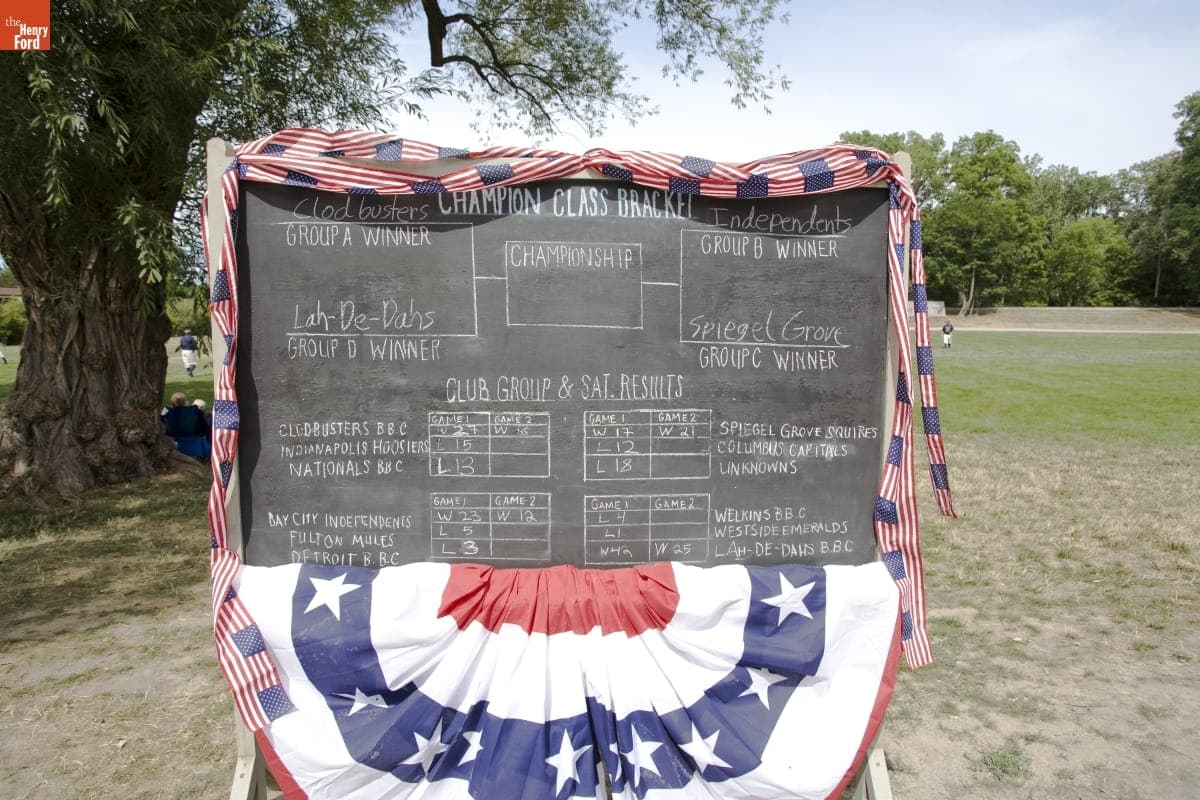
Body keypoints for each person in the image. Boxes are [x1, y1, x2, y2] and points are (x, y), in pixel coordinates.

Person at [162, 392, 210, 461]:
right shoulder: (195, 411)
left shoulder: (166, 411)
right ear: (185, 402)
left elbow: (160, 417)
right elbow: (204, 427)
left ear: (172, 402)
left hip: (173, 439)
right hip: (193, 440)